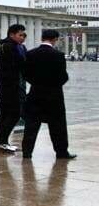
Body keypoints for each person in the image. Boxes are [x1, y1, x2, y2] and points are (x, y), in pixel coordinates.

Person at [21, 29, 75, 159]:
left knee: (31, 125)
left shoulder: (31, 54)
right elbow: (63, 77)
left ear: (42, 38)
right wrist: (53, 85)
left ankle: (27, 152)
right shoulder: (58, 55)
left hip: (35, 93)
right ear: (54, 39)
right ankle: (61, 152)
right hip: (54, 95)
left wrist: (37, 83)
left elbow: (25, 74)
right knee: (58, 125)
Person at [0, 24, 27, 153]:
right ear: (12, 35)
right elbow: (16, 66)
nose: (23, 37)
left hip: (17, 86)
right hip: (9, 87)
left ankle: (0, 141)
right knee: (12, 114)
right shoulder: (7, 47)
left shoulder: (20, 47)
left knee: (6, 115)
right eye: (20, 35)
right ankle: (1, 141)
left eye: (24, 35)